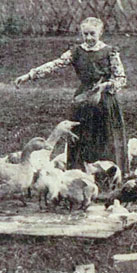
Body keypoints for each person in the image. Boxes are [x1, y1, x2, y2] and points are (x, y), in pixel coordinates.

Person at [15, 17, 128, 175]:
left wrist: (105, 86)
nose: (88, 38)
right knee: (80, 137)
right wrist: (29, 75)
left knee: (104, 138)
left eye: (92, 34)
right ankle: (77, 176)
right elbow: (55, 64)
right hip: (82, 100)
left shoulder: (110, 52)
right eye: (85, 34)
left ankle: (107, 177)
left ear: (101, 33)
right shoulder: (76, 51)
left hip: (104, 101)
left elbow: (121, 78)